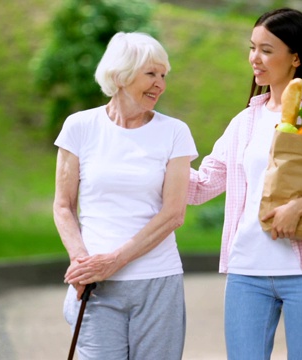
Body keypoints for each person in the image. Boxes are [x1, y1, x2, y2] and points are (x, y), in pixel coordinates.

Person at [188, 8, 302, 360]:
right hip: (247, 272)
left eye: (267, 50)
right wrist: (159, 152)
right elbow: (203, 185)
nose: (254, 59)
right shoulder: (244, 121)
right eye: (252, 47)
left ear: (296, 58)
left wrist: (297, 208)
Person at [53, 32, 198, 360]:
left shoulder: (175, 132)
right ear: (119, 75)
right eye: (151, 73)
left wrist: (113, 262)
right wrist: (82, 262)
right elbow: (63, 205)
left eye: (164, 75)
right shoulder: (80, 127)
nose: (160, 84)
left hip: (158, 282)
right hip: (97, 287)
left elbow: (174, 214)